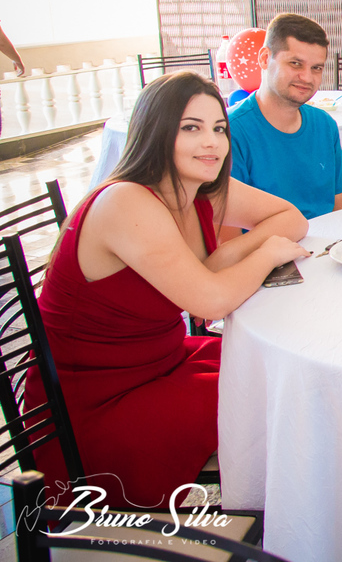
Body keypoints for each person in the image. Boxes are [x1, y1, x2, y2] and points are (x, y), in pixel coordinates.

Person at [26, 72, 309, 509]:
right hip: (95, 402)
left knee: (283, 366)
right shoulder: (126, 201)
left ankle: (284, 503)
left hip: (164, 360)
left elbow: (293, 219)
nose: (211, 143)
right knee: (272, 394)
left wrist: (221, 258)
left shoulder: (201, 188)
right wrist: (264, 254)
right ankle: (279, 511)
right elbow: (211, 301)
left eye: (219, 128)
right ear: (156, 132)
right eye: (190, 128)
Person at [229, 13, 342, 219]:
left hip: (329, 238)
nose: (307, 77)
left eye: (316, 68)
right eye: (295, 63)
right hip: (268, 241)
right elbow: (228, 231)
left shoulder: (324, 125)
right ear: (265, 58)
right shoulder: (230, 131)